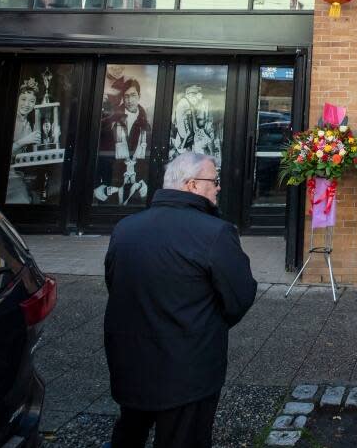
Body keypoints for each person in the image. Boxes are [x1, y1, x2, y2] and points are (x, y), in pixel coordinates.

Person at [104, 152, 256, 448]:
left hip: (130, 361)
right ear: (191, 185)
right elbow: (239, 296)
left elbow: (115, 284)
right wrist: (209, 324)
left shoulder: (125, 228)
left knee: (129, 432)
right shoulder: (215, 233)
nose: (218, 187)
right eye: (214, 181)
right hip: (189, 369)